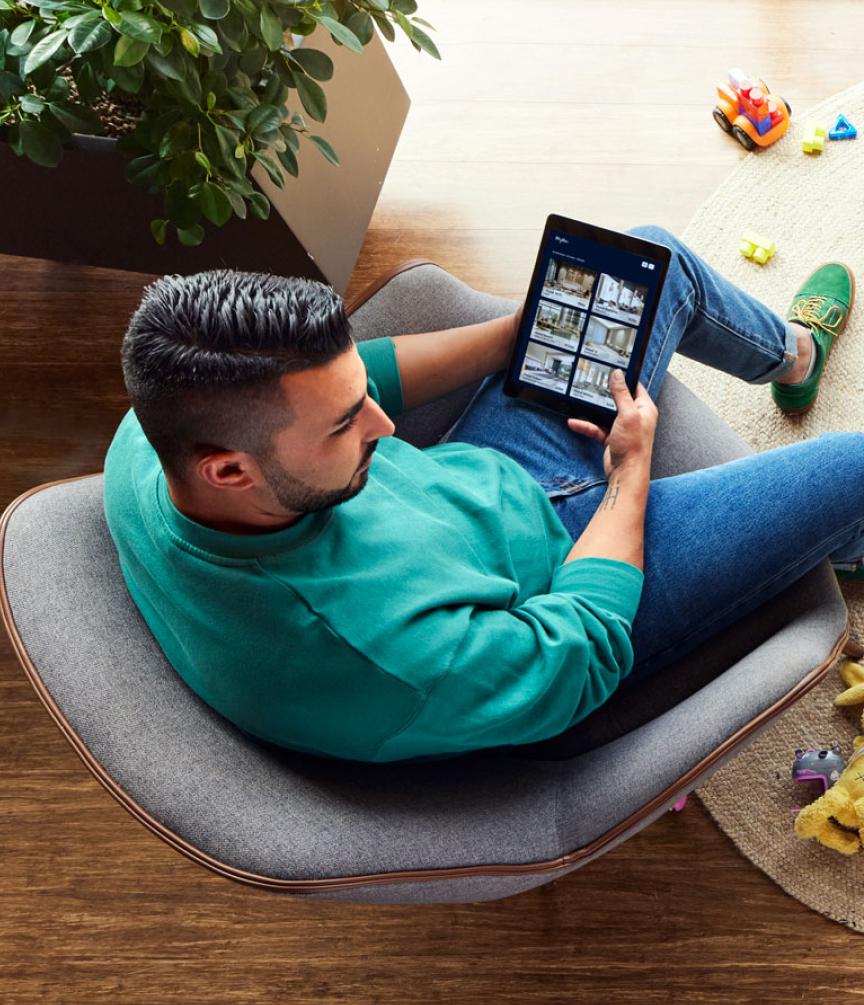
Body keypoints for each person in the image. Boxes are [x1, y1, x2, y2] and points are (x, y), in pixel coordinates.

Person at [103, 226, 860, 764]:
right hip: (564, 590)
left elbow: (377, 376)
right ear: (229, 472)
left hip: (488, 482)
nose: (384, 425)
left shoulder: (162, 424)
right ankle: (847, 544)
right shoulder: (377, 657)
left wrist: (522, 331)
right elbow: (577, 657)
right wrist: (629, 473)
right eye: (345, 423)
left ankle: (792, 359)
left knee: (636, 264)